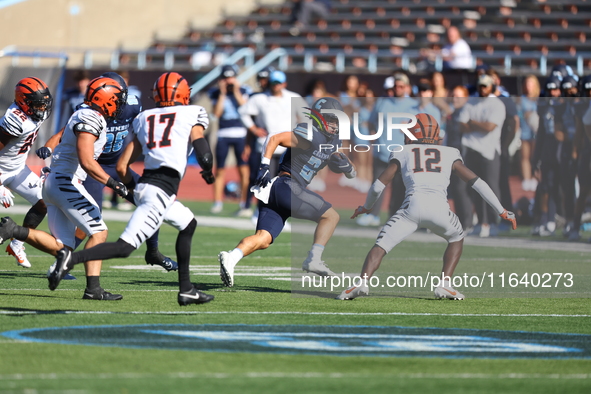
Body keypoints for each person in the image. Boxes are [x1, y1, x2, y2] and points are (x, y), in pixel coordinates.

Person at [44, 72, 216, 306]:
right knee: (123, 247)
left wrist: (134, 189)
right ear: (185, 93)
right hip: (155, 188)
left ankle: (185, 288)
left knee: (188, 223)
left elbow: (123, 166)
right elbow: (204, 153)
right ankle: (70, 259)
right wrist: (207, 169)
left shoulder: (143, 117)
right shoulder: (192, 112)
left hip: (146, 184)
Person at [338, 114, 516, 300]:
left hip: (410, 209)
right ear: (437, 135)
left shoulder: (402, 151)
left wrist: (367, 207)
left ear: (412, 134)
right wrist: (501, 210)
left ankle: (362, 282)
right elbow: (477, 183)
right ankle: (445, 283)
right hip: (440, 209)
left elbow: (378, 185)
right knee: (456, 236)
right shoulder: (450, 153)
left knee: (381, 245)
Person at [0, 76, 128, 300]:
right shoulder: (90, 118)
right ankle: (93, 289)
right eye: (117, 100)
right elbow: (87, 161)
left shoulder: (84, 113)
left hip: (53, 181)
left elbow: (62, 137)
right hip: (66, 182)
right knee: (99, 232)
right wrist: (112, 182)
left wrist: (49, 149)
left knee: (63, 247)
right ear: (106, 100)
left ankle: (15, 232)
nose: (119, 105)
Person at [37, 72, 177, 272]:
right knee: (91, 222)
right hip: (93, 167)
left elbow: (143, 131)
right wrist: (49, 147)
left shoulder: (132, 106)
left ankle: (153, 251)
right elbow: (65, 131)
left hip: (119, 165)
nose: (121, 101)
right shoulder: (90, 112)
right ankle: (62, 263)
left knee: (151, 203)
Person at [218, 98, 355, 287]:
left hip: (279, 192)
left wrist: (348, 169)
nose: (335, 124)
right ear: (319, 118)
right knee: (331, 217)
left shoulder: (332, 140)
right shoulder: (310, 134)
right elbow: (274, 137)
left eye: (337, 120)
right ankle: (314, 259)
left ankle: (231, 257)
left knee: (263, 238)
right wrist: (264, 166)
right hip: (287, 186)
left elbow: (338, 161)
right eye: (331, 119)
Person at [0, 77, 53, 268]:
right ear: (24, 102)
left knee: (44, 202)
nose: (42, 109)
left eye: (44, 104)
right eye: (38, 105)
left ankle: (17, 243)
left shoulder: (31, 115)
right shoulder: (16, 119)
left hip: (17, 169)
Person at [357, 73, 417, 227]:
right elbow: (371, 122)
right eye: (396, 86)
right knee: (376, 187)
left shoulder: (414, 106)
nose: (398, 89)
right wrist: (373, 138)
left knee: (399, 189)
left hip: (402, 155)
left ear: (407, 88)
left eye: (401, 86)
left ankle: (393, 217)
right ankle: (372, 215)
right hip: (382, 152)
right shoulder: (382, 102)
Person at [458, 74, 506, 237]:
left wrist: (472, 123)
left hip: (489, 151)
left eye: (485, 86)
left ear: (491, 87)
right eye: (480, 85)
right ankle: (481, 222)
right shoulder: (471, 102)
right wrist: (475, 125)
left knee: (491, 188)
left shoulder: (497, 105)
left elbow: (489, 127)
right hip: (471, 150)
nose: (482, 89)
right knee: (474, 188)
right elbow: (461, 125)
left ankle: (493, 222)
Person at [208, 65, 250, 215]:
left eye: (231, 77)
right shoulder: (215, 93)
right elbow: (217, 114)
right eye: (225, 78)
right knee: (219, 170)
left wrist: (236, 91)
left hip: (241, 134)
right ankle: (217, 203)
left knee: (244, 170)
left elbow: (246, 109)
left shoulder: (244, 90)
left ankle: (244, 204)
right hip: (223, 134)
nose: (228, 81)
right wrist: (223, 93)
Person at [445, 86, 474, 230]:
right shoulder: (454, 113)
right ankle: (461, 220)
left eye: (458, 96)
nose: (455, 99)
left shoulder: (466, 112)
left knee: (462, 189)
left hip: (463, 155)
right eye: (454, 96)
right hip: (452, 154)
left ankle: (467, 221)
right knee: (456, 189)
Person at [517, 75, 540, 192]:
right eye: (527, 83)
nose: (528, 86)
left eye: (531, 83)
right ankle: (527, 179)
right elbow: (519, 114)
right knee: (525, 156)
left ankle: (535, 177)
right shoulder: (522, 99)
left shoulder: (539, 98)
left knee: (535, 156)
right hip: (525, 131)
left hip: (537, 132)